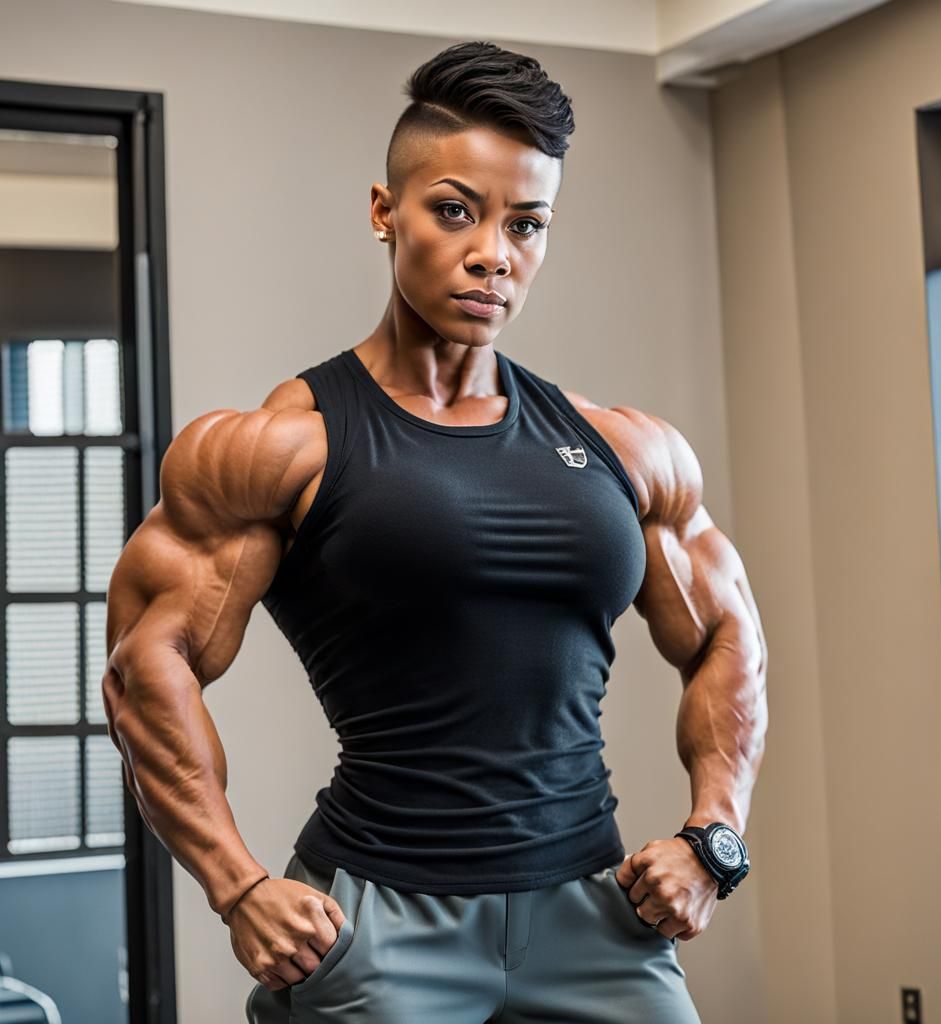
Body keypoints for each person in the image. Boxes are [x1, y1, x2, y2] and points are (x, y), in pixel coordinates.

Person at [102, 40, 768, 1024]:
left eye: (526, 224)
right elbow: (143, 665)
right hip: (378, 920)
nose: (494, 252)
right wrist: (237, 886)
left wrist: (713, 835)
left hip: (596, 911)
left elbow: (726, 633)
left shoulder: (626, 448)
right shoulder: (282, 447)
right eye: (456, 211)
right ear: (385, 210)